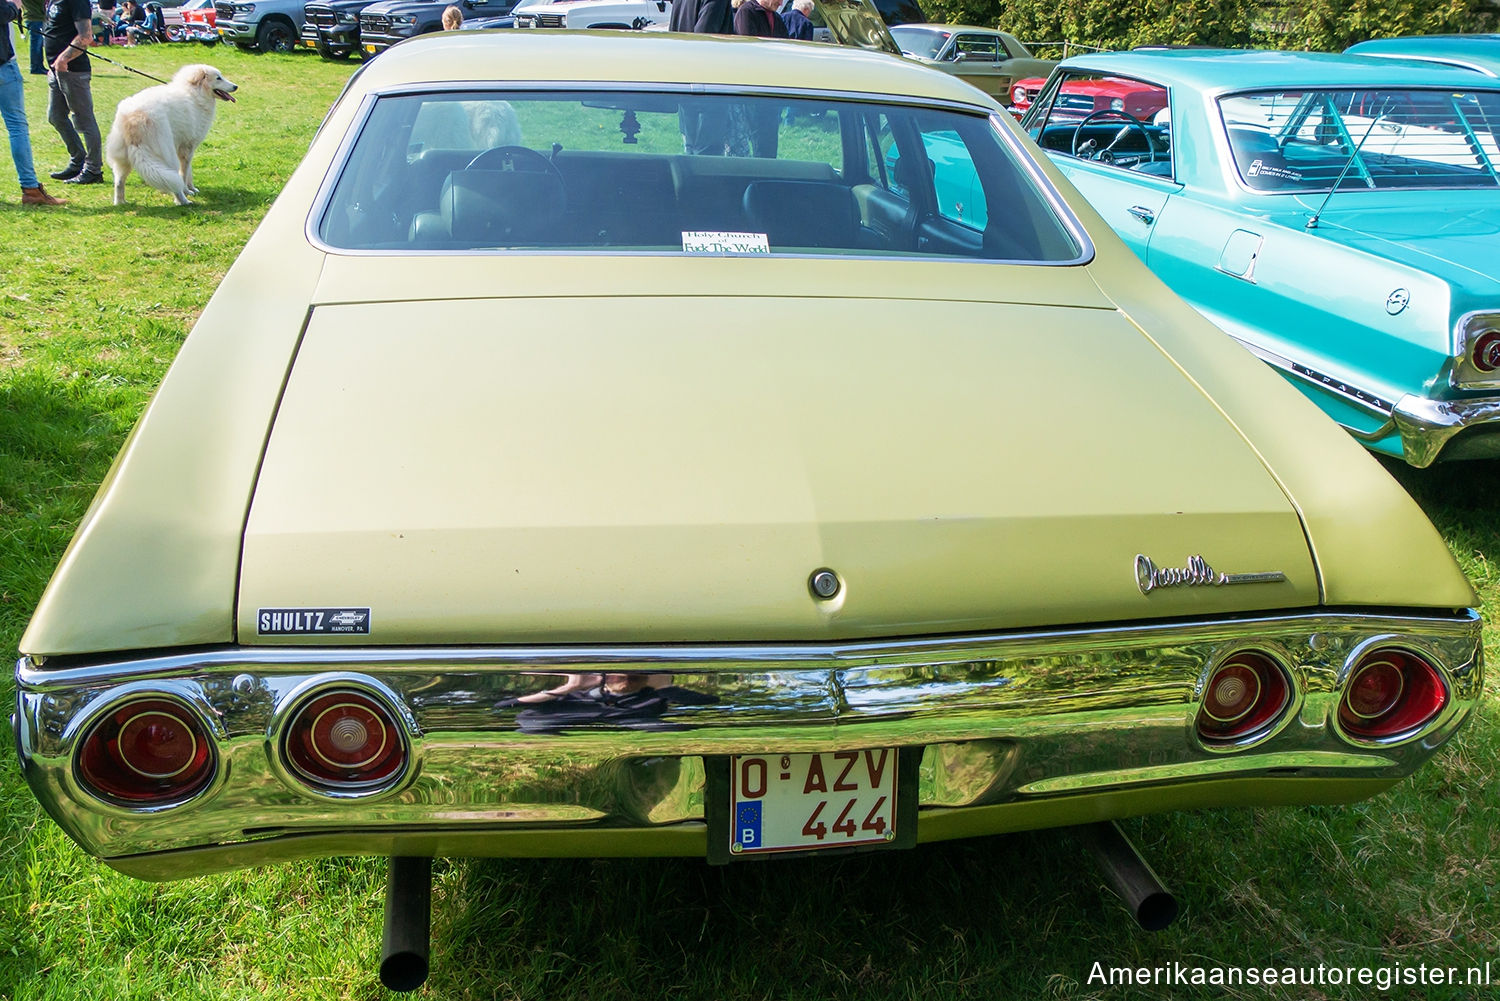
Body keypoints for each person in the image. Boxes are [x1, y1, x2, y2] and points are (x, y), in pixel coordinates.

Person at [2, 0, 66, 203]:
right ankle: (31, 189)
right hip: (3, 66)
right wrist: (14, 5)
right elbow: (5, 12)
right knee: (17, 126)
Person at [43, 0, 101, 184]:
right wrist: (53, 65)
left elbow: (85, 36)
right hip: (56, 69)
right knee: (56, 116)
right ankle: (78, 160)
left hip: (73, 70)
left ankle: (93, 170)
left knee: (84, 120)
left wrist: (63, 59)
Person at [733, 0, 785, 157]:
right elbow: (748, 52)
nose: (781, 2)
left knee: (769, 143)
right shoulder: (746, 12)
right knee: (757, 139)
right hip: (754, 90)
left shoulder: (777, 18)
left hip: (772, 91)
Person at [21, 0, 44, 72]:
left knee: (38, 44)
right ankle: (36, 67)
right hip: (34, 17)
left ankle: (38, 66)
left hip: (34, 17)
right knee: (36, 44)